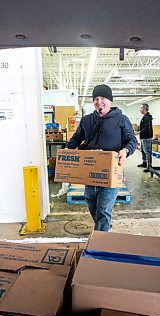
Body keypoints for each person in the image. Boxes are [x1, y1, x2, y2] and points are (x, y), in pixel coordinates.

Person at [66, 84, 137, 232]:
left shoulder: (121, 119)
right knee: (91, 200)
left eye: (103, 98)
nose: (99, 102)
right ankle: (105, 232)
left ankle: (102, 241)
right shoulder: (87, 120)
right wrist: (67, 149)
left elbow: (132, 140)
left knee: (104, 209)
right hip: (90, 170)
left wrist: (125, 150)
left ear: (110, 101)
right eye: (96, 99)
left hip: (111, 171)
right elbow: (77, 138)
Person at [136, 103, 153, 172]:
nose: (140, 110)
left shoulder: (147, 117)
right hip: (143, 137)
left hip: (146, 137)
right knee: (143, 150)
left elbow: (146, 128)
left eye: (141, 108)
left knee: (147, 152)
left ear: (144, 108)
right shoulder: (145, 116)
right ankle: (144, 163)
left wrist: (139, 132)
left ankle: (149, 166)